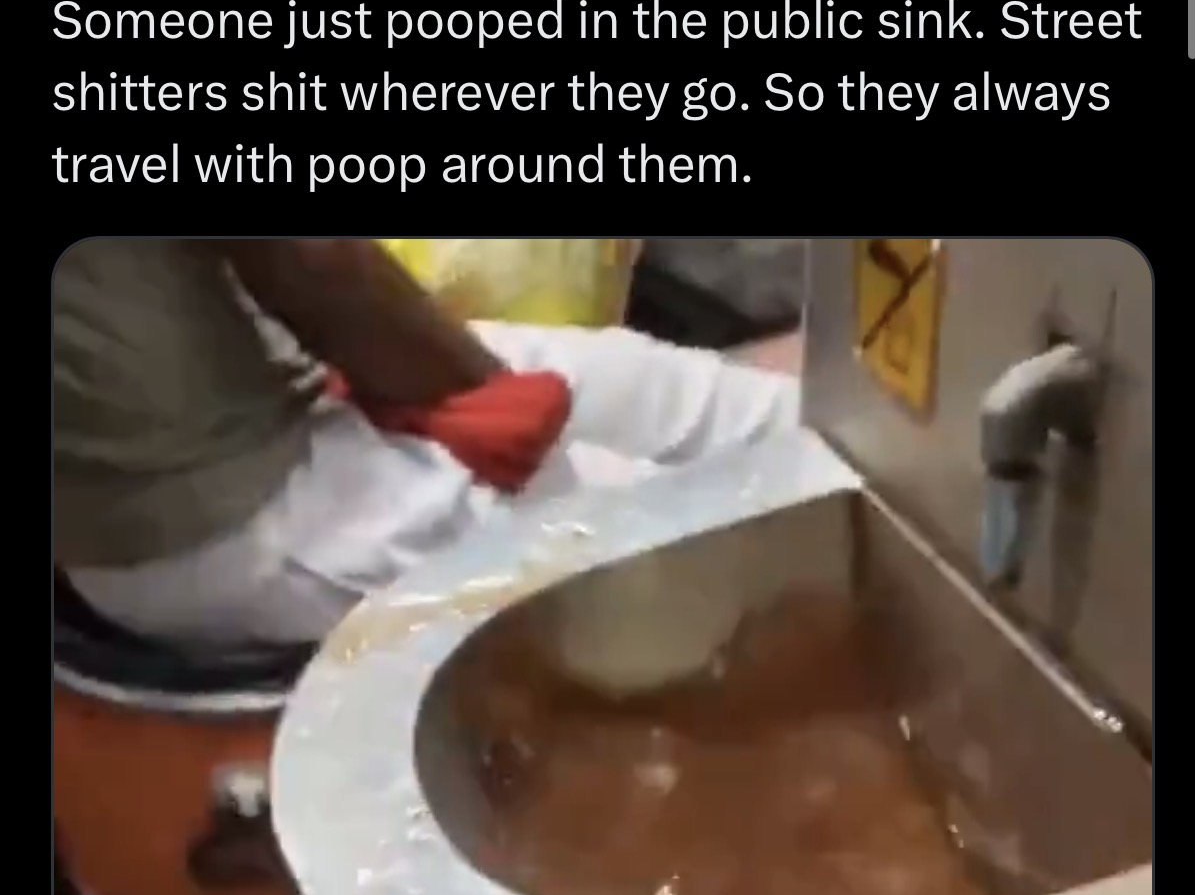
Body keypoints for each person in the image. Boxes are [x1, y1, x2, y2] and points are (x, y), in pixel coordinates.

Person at [53, 238, 799, 651]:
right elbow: (312, 259)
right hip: (212, 508)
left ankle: (830, 445)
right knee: (659, 555)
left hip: (266, 382)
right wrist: (491, 407)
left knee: (638, 383)